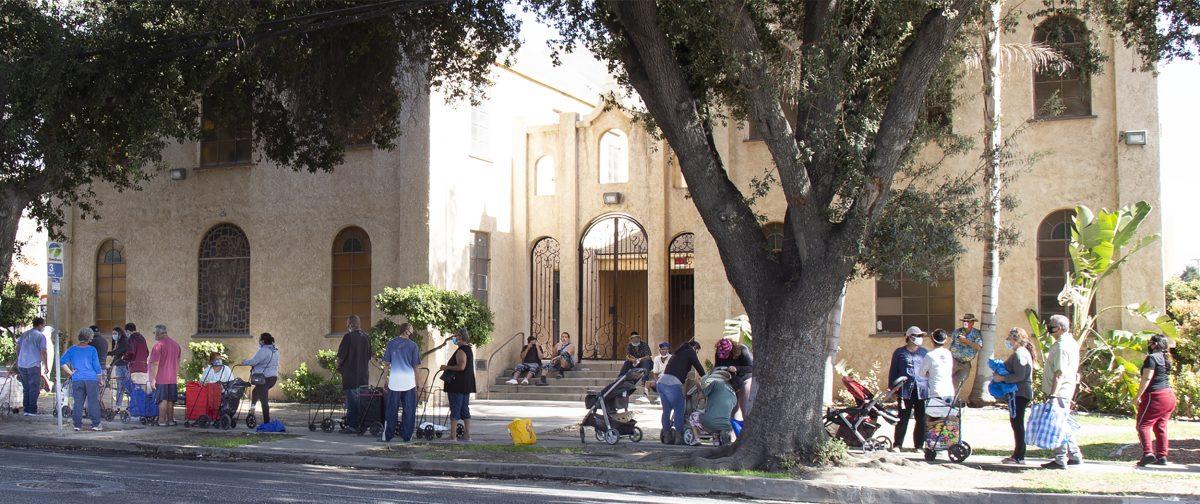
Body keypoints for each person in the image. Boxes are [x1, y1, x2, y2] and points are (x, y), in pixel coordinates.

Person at [1041, 314, 1082, 469]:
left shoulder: (1061, 346)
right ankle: (1075, 455)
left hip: (1059, 391)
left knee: (1057, 425)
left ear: (1059, 328)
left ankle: (1060, 459)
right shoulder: (1070, 342)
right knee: (1064, 423)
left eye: (1051, 325)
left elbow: (1059, 373)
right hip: (1066, 389)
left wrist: (1053, 394)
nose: (1049, 328)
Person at [995, 328, 1037, 465]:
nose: (1008, 340)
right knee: (1016, 422)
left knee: (1017, 423)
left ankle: (1019, 455)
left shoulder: (1020, 354)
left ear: (1016, 339)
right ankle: (1018, 454)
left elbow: (1020, 375)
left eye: (1010, 338)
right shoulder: (1021, 352)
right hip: (1019, 392)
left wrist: (1002, 378)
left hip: (1019, 392)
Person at [1134, 333, 1176, 467]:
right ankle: (1162, 456)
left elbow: (1147, 378)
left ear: (1156, 344)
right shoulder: (1165, 358)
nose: (1149, 345)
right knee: (1160, 427)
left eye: (1151, 342)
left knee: (1143, 425)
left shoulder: (1152, 358)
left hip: (1155, 396)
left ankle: (1148, 454)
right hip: (1169, 395)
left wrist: (1137, 396)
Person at [887, 326, 928, 451]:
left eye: (921, 336)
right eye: (918, 335)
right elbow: (893, 371)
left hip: (921, 389)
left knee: (921, 418)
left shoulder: (924, 352)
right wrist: (892, 389)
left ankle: (919, 446)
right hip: (905, 390)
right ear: (910, 337)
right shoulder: (899, 352)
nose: (920, 338)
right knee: (903, 417)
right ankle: (898, 444)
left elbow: (928, 371)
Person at [659, 340, 705, 444]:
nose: (696, 353)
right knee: (679, 410)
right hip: (673, 383)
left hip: (661, 382)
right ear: (695, 348)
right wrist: (706, 378)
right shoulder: (690, 351)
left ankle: (666, 436)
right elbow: (698, 367)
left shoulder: (678, 353)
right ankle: (679, 436)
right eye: (697, 351)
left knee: (666, 411)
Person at [382, 322, 421, 442]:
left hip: (394, 382)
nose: (412, 332)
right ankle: (406, 436)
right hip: (409, 383)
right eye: (412, 329)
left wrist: (385, 379)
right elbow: (415, 367)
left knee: (391, 409)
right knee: (409, 410)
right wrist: (418, 384)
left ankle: (388, 436)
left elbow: (386, 365)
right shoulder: (413, 346)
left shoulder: (391, 343)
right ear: (407, 330)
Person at [60, 327, 104, 431]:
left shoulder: (72, 349)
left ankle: (77, 425)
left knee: (78, 402)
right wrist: (100, 379)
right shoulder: (92, 350)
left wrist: (71, 373)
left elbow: (62, 362)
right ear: (90, 337)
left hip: (77, 379)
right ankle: (96, 424)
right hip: (91, 379)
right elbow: (97, 367)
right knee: (93, 402)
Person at [336, 315, 372, 433]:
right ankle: (362, 424)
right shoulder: (367, 337)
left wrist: (337, 365)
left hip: (350, 376)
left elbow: (341, 356)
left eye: (347, 324)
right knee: (361, 402)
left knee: (352, 402)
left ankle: (352, 426)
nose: (347, 326)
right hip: (363, 376)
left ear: (350, 324)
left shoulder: (348, 337)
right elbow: (369, 356)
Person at [440, 328, 476, 442]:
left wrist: (446, 367)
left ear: (461, 337)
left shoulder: (461, 350)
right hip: (466, 384)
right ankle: (467, 435)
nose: (453, 337)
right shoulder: (468, 349)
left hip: (457, 384)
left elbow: (461, 366)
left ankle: (453, 436)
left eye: (455, 335)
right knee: (465, 409)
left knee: (455, 409)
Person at [241, 332, 280, 424]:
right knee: (256, 391)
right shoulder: (275, 350)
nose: (259, 341)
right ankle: (252, 408)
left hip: (264, 378)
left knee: (264, 400)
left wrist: (244, 362)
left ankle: (267, 422)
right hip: (273, 378)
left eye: (259, 339)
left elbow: (254, 361)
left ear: (262, 341)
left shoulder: (263, 350)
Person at [147, 324, 181, 426]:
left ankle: (161, 421)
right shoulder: (176, 345)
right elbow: (178, 362)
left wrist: (152, 379)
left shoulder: (158, 346)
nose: (154, 335)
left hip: (161, 378)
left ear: (159, 333)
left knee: (162, 400)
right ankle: (170, 420)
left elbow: (154, 364)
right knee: (170, 400)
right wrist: (176, 375)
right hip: (172, 378)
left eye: (154, 332)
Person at [16, 317, 49, 416]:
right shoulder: (41, 336)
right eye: (43, 325)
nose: (43, 327)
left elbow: (17, 348)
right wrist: (46, 365)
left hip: (22, 364)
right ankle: (32, 410)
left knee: (26, 387)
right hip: (33, 364)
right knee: (34, 388)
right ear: (39, 325)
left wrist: (19, 358)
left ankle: (26, 409)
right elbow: (43, 352)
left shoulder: (24, 334)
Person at [714, 337, 754, 418]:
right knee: (732, 407)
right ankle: (733, 428)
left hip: (745, 379)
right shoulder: (719, 353)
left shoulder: (742, 350)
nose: (724, 356)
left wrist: (737, 368)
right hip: (732, 380)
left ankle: (746, 426)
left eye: (726, 354)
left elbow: (751, 368)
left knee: (744, 406)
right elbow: (717, 367)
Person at [918, 328, 955, 405]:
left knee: (933, 415)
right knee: (946, 415)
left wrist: (929, 373)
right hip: (949, 391)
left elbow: (921, 373)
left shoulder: (929, 355)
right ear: (945, 340)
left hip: (936, 391)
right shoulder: (948, 353)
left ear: (932, 340)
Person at [949, 313, 983, 390]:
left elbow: (978, 347)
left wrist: (966, 341)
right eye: (964, 321)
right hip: (953, 361)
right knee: (946, 380)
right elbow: (951, 346)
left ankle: (951, 400)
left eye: (968, 321)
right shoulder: (957, 332)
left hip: (965, 364)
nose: (965, 323)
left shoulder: (976, 334)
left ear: (972, 323)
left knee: (957, 383)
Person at [123, 323, 150, 395]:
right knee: (143, 391)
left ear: (128, 331)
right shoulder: (142, 338)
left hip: (134, 368)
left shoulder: (132, 338)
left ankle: (136, 406)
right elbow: (147, 352)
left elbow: (130, 351)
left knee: (134, 391)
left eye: (126, 332)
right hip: (144, 368)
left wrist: (124, 358)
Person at [88, 324, 110, 411]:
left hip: (93, 369)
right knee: (100, 391)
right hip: (103, 369)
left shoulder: (91, 342)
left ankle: (92, 409)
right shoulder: (104, 341)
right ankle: (101, 408)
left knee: (91, 391)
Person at [107, 327, 130, 409]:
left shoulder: (124, 341)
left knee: (127, 386)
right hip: (119, 365)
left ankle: (129, 406)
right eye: (112, 333)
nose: (113, 335)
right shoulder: (117, 342)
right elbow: (117, 355)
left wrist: (107, 353)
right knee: (120, 386)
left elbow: (118, 352)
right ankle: (118, 406)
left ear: (120, 333)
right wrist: (111, 364)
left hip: (125, 366)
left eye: (115, 333)